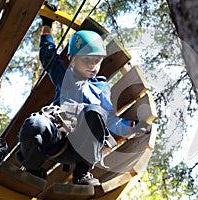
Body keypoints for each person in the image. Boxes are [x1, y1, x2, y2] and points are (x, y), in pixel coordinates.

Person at [16, 6, 150, 186]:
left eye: (97, 61)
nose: (92, 66)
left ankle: (83, 172)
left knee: (94, 112)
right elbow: (47, 55)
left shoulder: (102, 88)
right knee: (34, 123)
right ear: (72, 59)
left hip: (81, 147)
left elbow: (111, 121)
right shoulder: (65, 78)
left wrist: (135, 126)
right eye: (86, 60)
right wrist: (47, 24)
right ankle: (33, 170)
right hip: (57, 139)